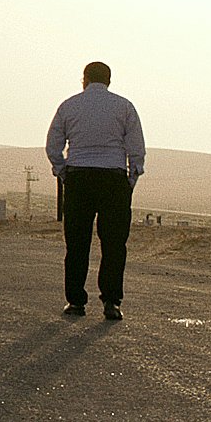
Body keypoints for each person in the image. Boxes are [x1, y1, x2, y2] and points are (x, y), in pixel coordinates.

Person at [46, 61, 145, 320]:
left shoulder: (69, 105)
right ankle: (111, 301)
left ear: (85, 79)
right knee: (114, 243)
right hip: (113, 179)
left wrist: (63, 171)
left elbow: (53, 145)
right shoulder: (124, 106)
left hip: (79, 177)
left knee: (77, 242)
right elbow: (136, 148)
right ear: (109, 80)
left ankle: (76, 301)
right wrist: (130, 179)